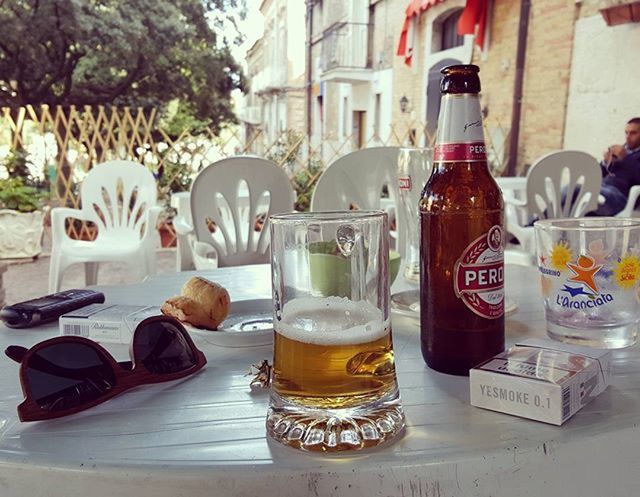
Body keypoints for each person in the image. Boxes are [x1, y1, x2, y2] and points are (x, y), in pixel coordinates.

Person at [591, 117, 640, 216]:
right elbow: (597, 175)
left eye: (633, 133)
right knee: (572, 190)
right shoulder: (622, 150)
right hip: (602, 189)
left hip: (620, 197)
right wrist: (606, 162)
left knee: (578, 191)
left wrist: (625, 158)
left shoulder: (627, 155)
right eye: (626, 133)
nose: (628, 137)